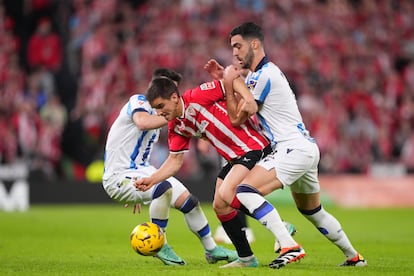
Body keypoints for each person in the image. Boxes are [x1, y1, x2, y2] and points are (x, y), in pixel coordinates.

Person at [210, 21, 367, 269]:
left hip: (290, 147)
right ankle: (354, 258)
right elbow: (240, 106)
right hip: (305, 148)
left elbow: (238, 116)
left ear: (254, 44)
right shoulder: (261, 75)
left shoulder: (264, 76)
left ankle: (288, 244)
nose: (234, 53)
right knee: (313, 211)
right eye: (232, 48)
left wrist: (229, 84)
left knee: (244, 191)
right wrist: (226, 81)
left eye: (238, 46)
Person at [135, 70, 276, 268]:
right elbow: (175, 161)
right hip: (234, 157)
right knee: (220, 205)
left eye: (160, 106)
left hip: (251, 147)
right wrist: (152, 179)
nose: (159, 113)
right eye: (155, 109)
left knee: (228, 194)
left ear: (174, 97)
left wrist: (248, 98)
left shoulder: (197, 95)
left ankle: (280, 230)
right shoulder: (176, 125)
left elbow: (230, 80)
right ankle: (247, 258)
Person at [102, 68, 238, 266]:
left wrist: (141, 188)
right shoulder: (138, 102)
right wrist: (173, 116)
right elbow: (141, 123)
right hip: (117, 176)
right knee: (162, 188)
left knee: (189, 202)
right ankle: (160, 244)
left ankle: (212, 250)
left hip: (140, 171)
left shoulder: (164, 114)